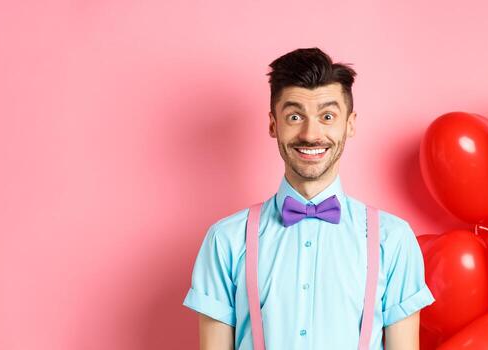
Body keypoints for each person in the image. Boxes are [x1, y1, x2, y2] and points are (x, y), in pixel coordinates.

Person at [183, 47, 435, 350]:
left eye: (327, 116)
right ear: (273, 124)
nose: (310, 133)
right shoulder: (226, 240)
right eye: (294, 116)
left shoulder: (392, 239)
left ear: (350, 124)